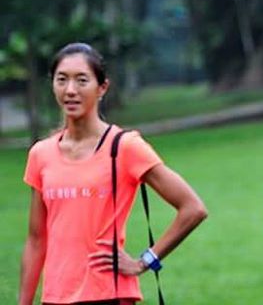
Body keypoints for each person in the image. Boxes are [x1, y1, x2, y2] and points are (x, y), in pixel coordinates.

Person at [19, 42, 208, 305]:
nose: (70, 90)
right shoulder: (41, 154)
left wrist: (145, 261)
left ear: (102, 88)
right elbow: (36, 239)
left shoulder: (125, 147)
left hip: (110, 293)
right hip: (56, 297)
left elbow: (193, 208)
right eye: (62, 80)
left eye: (82, 80)